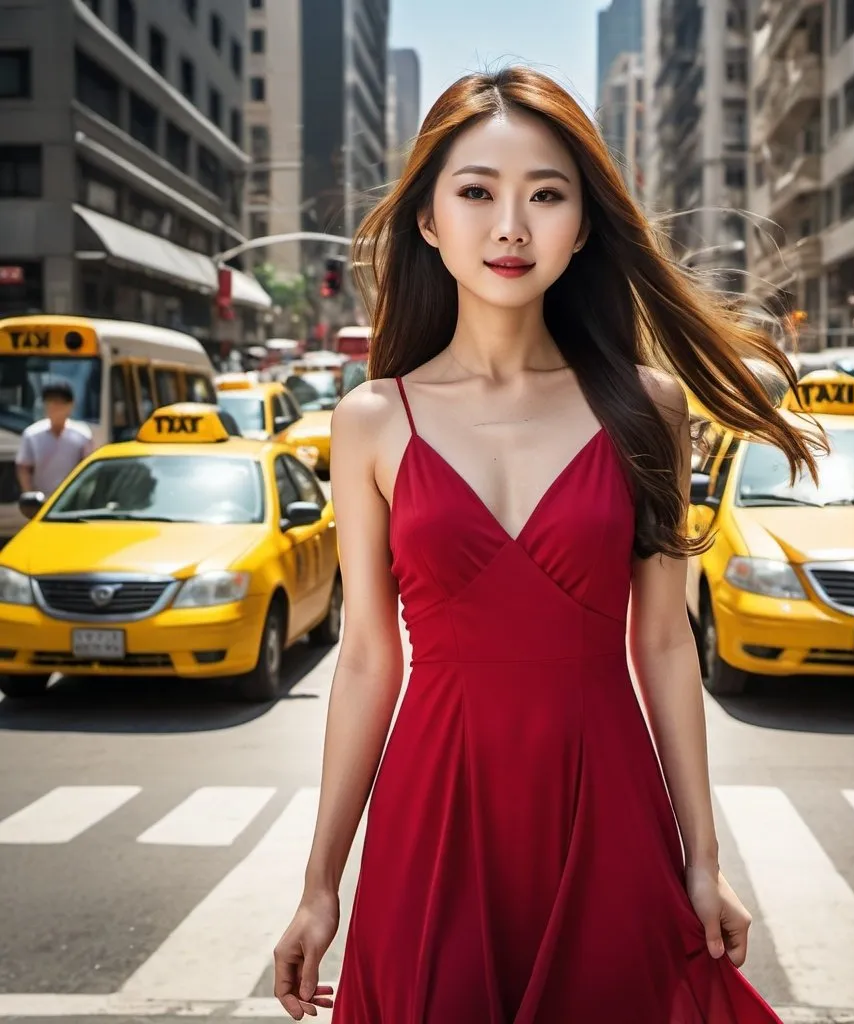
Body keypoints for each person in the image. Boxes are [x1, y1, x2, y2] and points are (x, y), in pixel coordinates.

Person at [273, 67, 821, 1023]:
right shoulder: (371, 420)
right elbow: (366, 657)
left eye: (547, 194)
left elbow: (662, 644)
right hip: (435, 815)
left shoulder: (648, 406)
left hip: (605, 807)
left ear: (586, 224)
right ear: (431, 222)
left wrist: (703, 859)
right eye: (477, 191)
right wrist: (320, 885)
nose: (512, 227)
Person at [15, 379, 93, 499]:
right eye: (51, 402)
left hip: (72, 501)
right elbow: (24, 468)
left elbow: (88, 470)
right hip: (41, 501)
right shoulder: (32, 434)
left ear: (71, 405)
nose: (55, 407)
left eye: (60, 402)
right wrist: (29, 496)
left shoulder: (82, 434)